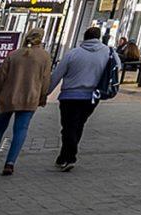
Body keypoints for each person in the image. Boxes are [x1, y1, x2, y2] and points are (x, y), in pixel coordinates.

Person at [0, 32, 53, 175]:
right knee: (20, 130)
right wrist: (43, 96)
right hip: (29, 98)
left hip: (7, 97)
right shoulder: (44, 57)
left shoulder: (14, 55)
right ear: (41, 40)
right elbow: (45, 80)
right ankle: (10, 163)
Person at [48, 26, 115, 171]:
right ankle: (64, 156)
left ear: (84, 37)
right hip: (92, 96)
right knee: (78, 125)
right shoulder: (108, 52)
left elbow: (57, 75)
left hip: (70, 96)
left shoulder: (73, 53)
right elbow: (116, 68)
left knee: (68, 127)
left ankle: (69, 156)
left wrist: (45, 93)